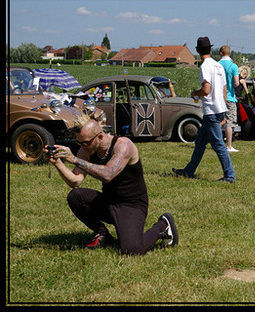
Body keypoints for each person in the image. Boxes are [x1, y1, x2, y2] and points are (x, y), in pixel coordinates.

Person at [45, 116, 178, 255]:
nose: (82, 147)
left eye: (85, 143)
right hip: (109, 202)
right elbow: (75, 181)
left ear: (100, 137)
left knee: (131, 250)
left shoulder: (123, 145)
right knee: (76, 196)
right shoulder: (86, 150)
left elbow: (108, 174)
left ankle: (163, 225)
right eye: (79, 143)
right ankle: (102, 234)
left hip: (132, 205)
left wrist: (74, 159)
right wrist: (58, 163)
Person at [172, 37, 236, 183]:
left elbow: (206, 90)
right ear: (211, 49)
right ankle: (188, 171)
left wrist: (195, 93)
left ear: (197, 51)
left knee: (218, 145)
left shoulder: (204, 66)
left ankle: (229, 176)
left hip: (211, 111)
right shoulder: (218, 66)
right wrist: (224, 111)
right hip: (219, 109)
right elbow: (224, 90)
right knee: (200, 143)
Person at [218, 45, 240, 152]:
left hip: (218, 97)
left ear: (220, 53)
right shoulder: (233, 66)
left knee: (218, 120)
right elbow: (236, 83)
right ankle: (229, 146)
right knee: (229, 122)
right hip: (230, 96)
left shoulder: (217, 65)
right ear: (229, 53)